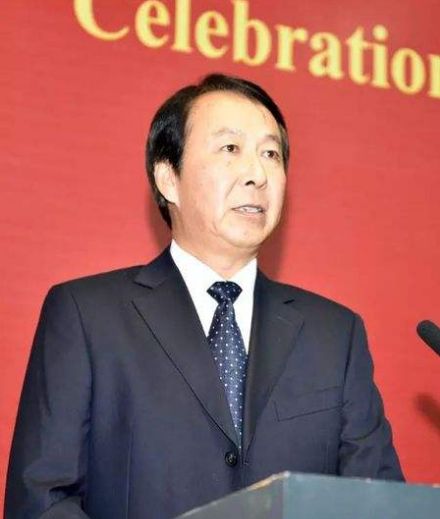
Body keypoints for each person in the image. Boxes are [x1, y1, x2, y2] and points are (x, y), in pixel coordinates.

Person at [5, 74, 404, 519]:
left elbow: (382, 506)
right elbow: (42, 501)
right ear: (168, 178)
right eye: (231, 149)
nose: (257, 174)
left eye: (271, 154)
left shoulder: (335, 335)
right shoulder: (88, 317)